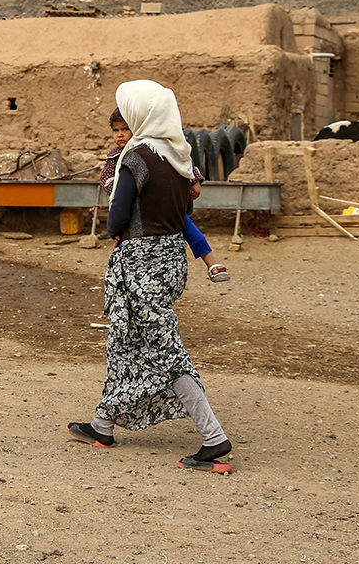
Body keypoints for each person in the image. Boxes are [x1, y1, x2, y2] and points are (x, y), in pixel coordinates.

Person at [69, 80, 233, 473]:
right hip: (172, 258)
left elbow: (118, 214)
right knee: (124, 342)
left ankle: (214, 439)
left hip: (142, 262)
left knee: (165, 349)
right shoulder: (181, 156)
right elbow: (184, 214)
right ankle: (102, 426)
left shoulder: (136, 157)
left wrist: (116, 230)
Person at [100, 109, 229, 283]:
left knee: (187, 226)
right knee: (123, 236)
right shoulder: (116, 157)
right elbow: (107, 181)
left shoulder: (158, 148)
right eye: (116, 131)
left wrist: (195, 180)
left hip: (164, 205)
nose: (120, 135)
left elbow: (182, 164)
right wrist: (123, 189)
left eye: (125, 129)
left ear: (138, 127)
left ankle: (212, 263)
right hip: (136, 208)